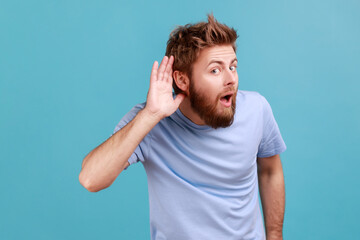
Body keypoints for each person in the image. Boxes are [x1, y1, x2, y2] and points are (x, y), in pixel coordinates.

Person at [79, 14, 287, 240]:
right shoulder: (150, 121)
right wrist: (150, 115)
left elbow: (270, 171)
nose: (231, 79)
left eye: (233, 67)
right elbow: (91, 179)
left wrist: (274, 235)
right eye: (215, 70)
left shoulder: (257, 109)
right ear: (182, 81)